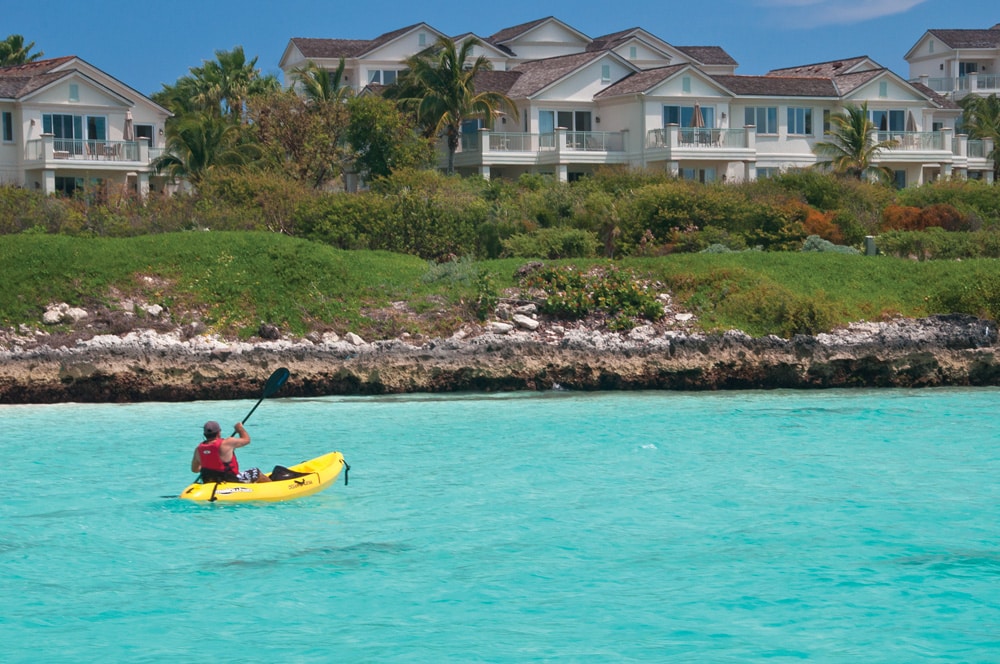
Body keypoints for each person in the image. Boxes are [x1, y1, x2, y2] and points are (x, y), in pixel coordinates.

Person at [191, 420, 271, 483]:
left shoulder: (198, 449)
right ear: (219, 432)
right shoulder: (227, 442)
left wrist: (210, 464)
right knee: (255, 472)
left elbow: (195, 469)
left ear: (204, 434)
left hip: (208, 479)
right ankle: (272, 486)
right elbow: (247, 440)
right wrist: (239, 429)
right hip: (229, 479)